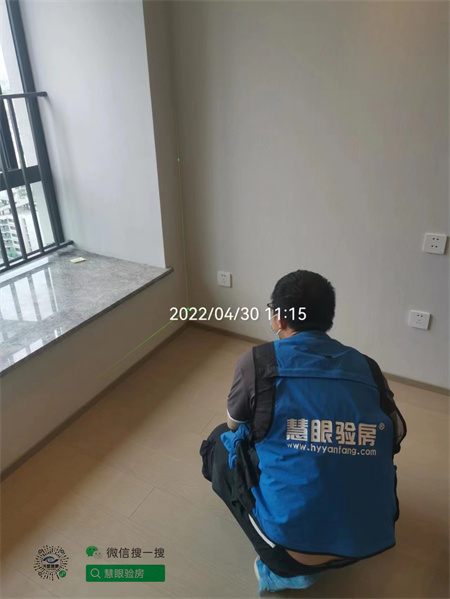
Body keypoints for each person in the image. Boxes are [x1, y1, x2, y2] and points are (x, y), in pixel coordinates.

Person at [200, 270, 407, 594]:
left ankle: (283, 573)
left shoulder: (258, 361)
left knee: (218, 442)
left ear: (279, 318)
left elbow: (233, 425)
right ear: (328, 318)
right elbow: (394, 436)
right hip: (369, 540)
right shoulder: (367, 366)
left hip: (292, 552)